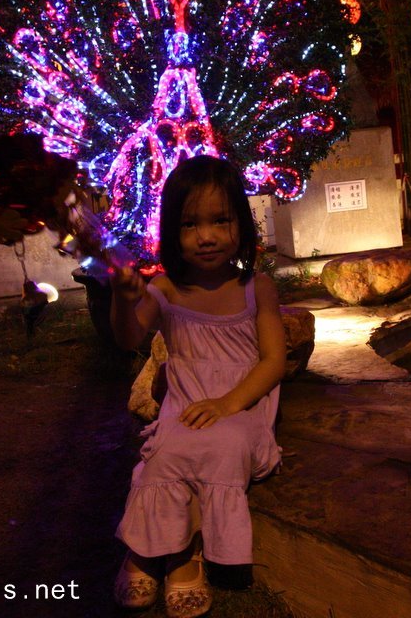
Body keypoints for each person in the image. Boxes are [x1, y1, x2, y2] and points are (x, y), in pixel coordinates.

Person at [110, 155, 286, 618]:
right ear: (172, 231)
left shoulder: (257, 288)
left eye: (220, 220)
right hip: (185, 410)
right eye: (190, 224)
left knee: (223, 445)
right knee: (168, 451)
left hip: (241, 411)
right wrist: (123, 298)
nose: (205, 236)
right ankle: (157, 552)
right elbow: (128, 337)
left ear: (241, 225)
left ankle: (181, 551)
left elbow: (273, 362)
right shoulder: (166, 290)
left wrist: (228, 404)